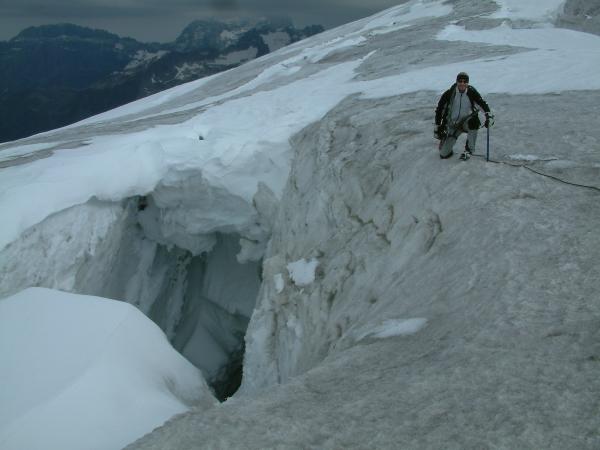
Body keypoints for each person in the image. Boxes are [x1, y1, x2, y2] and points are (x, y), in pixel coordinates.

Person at [434, 72, 492, 160]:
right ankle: (445, 144)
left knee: (474, 122)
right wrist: (438, 126)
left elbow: (482, 104)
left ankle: (469, 150)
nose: (462, 83)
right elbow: (439, 109)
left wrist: (489, 116)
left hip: (466, 122)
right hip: (453, 124)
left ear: (467, 83)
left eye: (465, 82)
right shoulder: (449, 94)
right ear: (457, 82)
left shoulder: (471, 92)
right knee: (443, 154)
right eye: (460, 81)